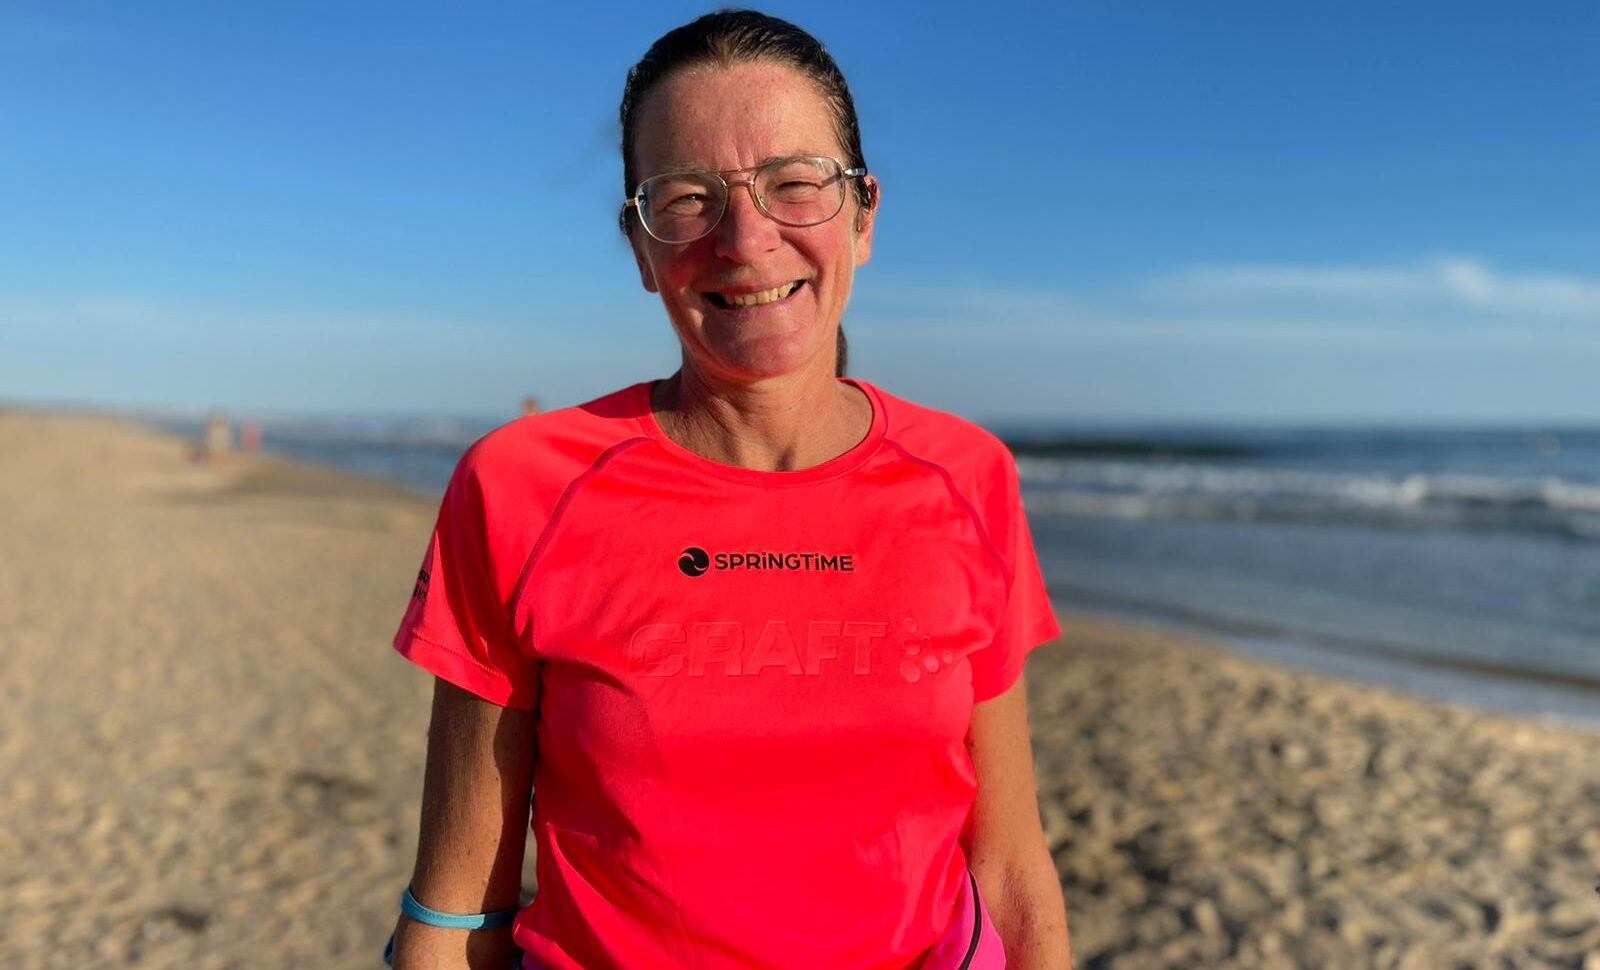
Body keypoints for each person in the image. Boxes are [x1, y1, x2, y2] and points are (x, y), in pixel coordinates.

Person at [386, 10, 1072, 969]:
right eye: (686, 198)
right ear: (640, 246)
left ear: (863, 216)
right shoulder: (519, 486)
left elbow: (1010, 866)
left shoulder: (968, 474)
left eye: (796, 184)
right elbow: (457, 908)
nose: (746, 238)